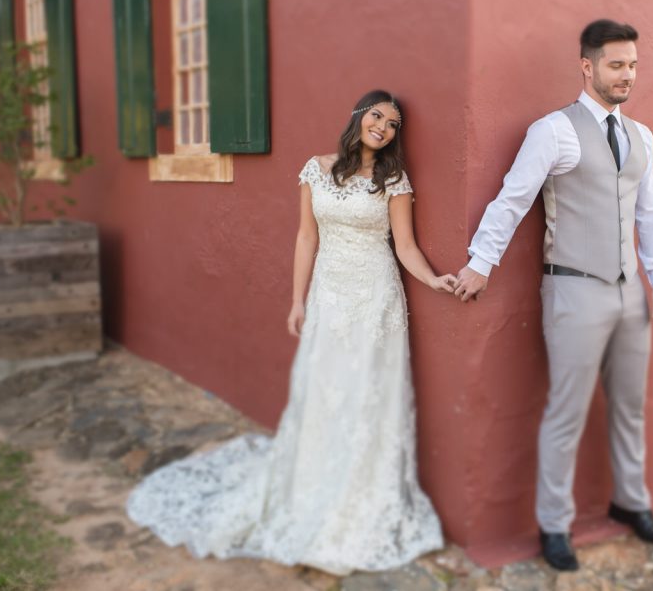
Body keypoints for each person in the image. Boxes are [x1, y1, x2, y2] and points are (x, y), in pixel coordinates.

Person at [128, 89, 453, 574]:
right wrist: (298, 300)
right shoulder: (316, 168)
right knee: (324, 392)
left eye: (393, 125)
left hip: (375, 300)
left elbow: (404, 246)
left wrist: (434, 279)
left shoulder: (393, 179)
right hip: (328, 296)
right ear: (359, 115)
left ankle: (360, 496)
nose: (383, 128)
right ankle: (314, 482)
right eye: (378, 117)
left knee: (368, 395)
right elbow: (306, 236)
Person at [454, 20, 653, 571]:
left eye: (633, 65)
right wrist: (481, 264)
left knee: (629, 406)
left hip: (630, 296)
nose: (627, 75)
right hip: (574, 291)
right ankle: (555, 524)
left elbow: (651, 210)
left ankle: (631, 501)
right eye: (616, 65)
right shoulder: (554, 130)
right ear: (588, 66)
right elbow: (513, 199)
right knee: (566, 412)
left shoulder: (642, 136)